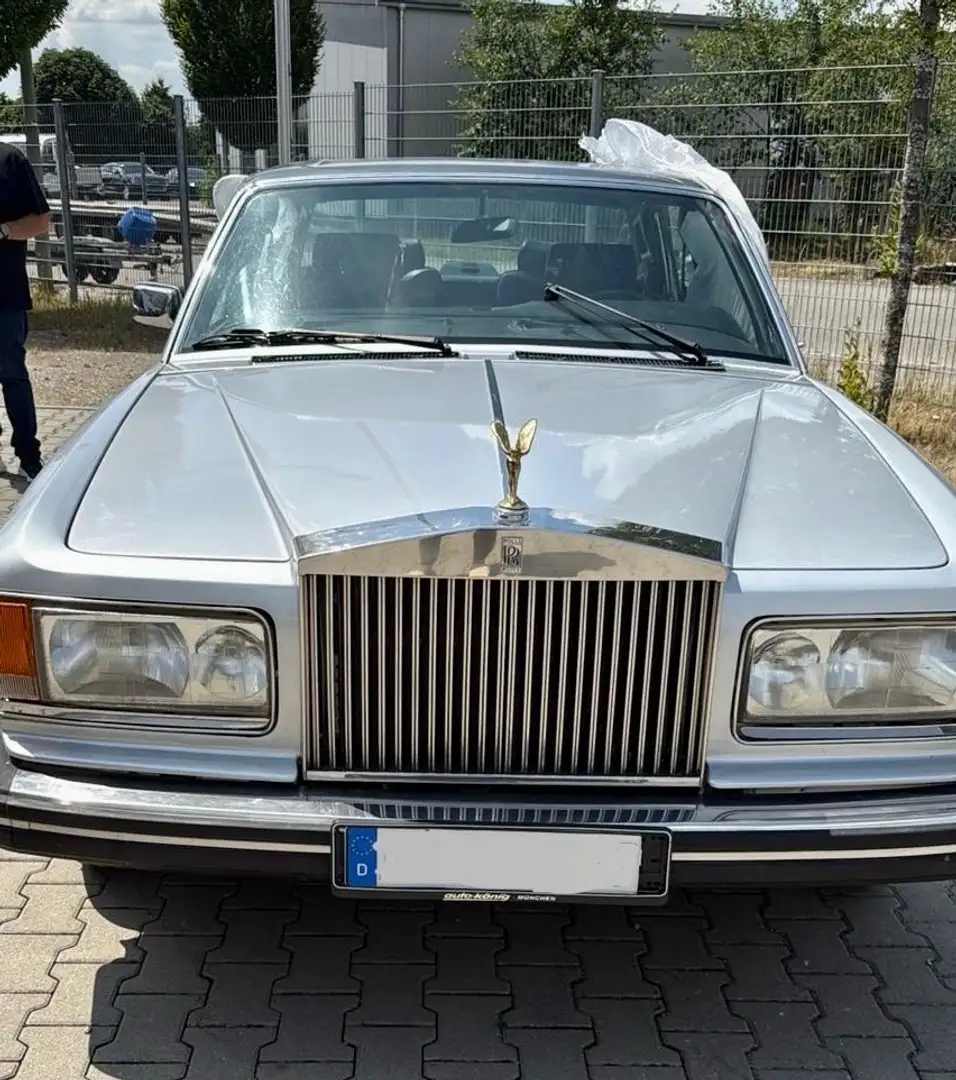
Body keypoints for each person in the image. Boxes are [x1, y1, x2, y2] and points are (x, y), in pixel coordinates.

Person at [0, 140, 50, 483]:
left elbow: (41, 220)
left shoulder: (10, 161)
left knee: (12, 374)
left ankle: (28, 456)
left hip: (4, 293)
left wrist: (4, 231)